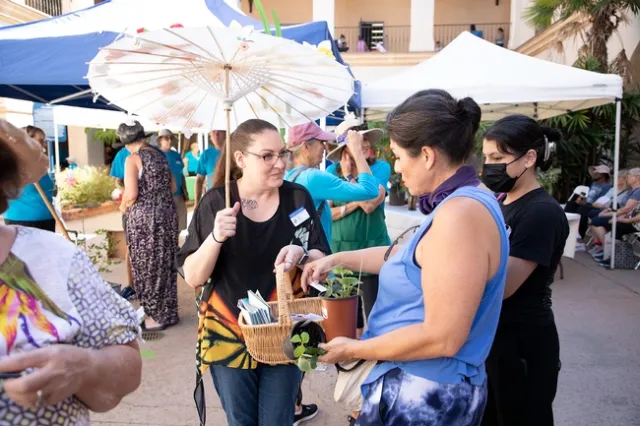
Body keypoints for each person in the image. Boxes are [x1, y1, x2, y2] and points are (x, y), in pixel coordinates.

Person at [301, 90, 509, 426]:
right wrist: (336, 258)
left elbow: (444, 336)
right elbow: (408, 255)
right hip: (424, 384)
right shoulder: (463, 202)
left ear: (426, 155)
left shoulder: (459, 215)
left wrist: (352, 349)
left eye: (398, 156)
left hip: (426, 392)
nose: (396, 168)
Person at [176, 119, 331, 426]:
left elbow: (319, 255)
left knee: (278, 419)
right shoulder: (216, 203)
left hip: (285, 328)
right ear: (241, 159)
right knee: (241, 421)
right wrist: (216, 237)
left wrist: (301, 254)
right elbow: (193, 276)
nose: (279, 163)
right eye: (267, 155)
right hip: (230, 331)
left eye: (282, 153)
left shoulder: (297, 198)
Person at [0, 117, 142, 425]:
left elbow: (128, 364)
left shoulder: (52, 258)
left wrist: (84, 367)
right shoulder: (130, 158)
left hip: (33, 220)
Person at [479, 115, 569, 426]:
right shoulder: (502, 201)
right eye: (487, 158)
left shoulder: (541, 213)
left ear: (529, 158)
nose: (489, 166)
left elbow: (503, 286)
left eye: (498, 158)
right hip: (498, 337)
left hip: (524, 342)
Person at [326, 119, 390, 332]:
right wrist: (353, 203)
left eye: (364, 140)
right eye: (357, 141)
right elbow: (329, 214)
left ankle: (378, 354)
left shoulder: (380, 167)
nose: (363, 145)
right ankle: (352, 356)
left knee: (376, 312)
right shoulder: (330, 173)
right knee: (345, 315)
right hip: (340, 249)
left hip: (373, 248)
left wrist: (350, 177)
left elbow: (370, 204)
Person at [119, 121, 179, 331]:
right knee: (165, 263)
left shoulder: (133, 159)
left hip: (145, 221)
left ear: (125, 142)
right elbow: (173, 186)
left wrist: (123, 204)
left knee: (147, 266)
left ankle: (154, 317)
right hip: (167, 215)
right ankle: (168, 313)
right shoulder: (160, 156)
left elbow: (132, 193)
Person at [285, 121, 379, 243]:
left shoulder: (287, 176)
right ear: (306, 146)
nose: (325, 147)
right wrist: (357, 151)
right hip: (315, 254)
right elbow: (370, 190)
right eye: (321, 142)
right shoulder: (313, 178)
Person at [3, 126, 56, 232]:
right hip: (22, 219)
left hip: (46, 217)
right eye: (40, 140)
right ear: (27, 141)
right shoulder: (14, 163)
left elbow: (49, 189)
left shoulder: (40, 163)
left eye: (43, 140)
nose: (43, 144)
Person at [590, 167, 640, 264]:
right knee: (598, 220)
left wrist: (616, 217)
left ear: (637, 178)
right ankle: (607, 252)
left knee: (602, 222)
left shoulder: (638, 191)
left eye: (629, 176)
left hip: (633, 221)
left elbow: (627, 209)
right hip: (626, 216)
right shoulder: (632, 190)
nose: (627, 178)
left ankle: (609, 254)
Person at [564, 164, 612, 238]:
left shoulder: (607, 187)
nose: (594, 174)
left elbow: (601, 199)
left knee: (582, 210)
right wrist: (581, 199)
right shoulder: (594, 184)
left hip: (594, 206)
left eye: (597, 173)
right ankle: (564, 227)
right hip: (586, 204)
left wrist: (586, 203)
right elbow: (588, 195)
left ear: (603, 175)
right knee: (570, 204)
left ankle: (579, 235)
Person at [157, 129, 188, 232]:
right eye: (166, 138)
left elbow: (181, 174)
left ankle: (176, 247)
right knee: (165, 227)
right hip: (163, 196)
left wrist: (185, 192)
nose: (169, 141)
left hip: (178, 195)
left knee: (180, 225)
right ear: (160, 140)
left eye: (171, 138)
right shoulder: (156, 155)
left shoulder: (176, 155)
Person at [195, 130, 226, 205]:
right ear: (210, 136)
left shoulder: (233, 151)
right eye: (213, 131)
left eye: (220, 131)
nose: (216, 133)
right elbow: (199, 180)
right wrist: (197, 203)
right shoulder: (206, 154)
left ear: (225, 133)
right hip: (212, 198)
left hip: (231, 197)